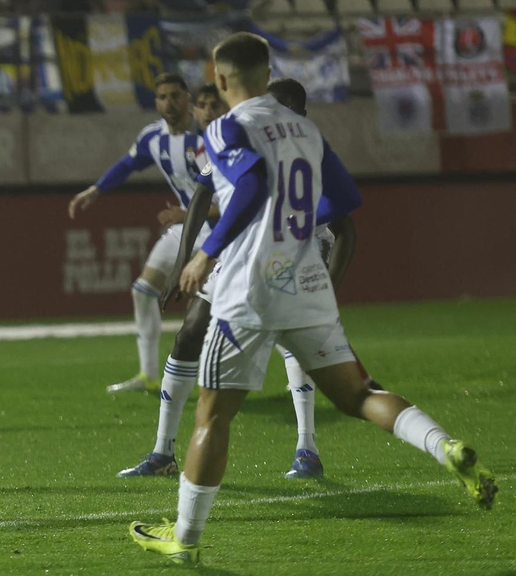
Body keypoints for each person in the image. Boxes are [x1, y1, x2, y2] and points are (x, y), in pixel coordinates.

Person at [129, 34, 497, 565]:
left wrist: (205, 253)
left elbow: (251, 185)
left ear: (222, 78)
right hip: (305, 282)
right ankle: (446, 448)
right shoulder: (305, 128)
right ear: (267, 72)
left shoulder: (224, 128)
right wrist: (292, 227)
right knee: (358, 394)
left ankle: (184, 538)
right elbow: (346, 199)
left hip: (247, 291)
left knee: (213, 415)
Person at [118, 79, 362, 479]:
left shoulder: (310, 149)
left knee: (296, 349)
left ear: (298, 115)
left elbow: (346, 227)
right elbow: (201, 193)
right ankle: (162, 452)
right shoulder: (246, 135)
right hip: (240, 258)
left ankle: (307, 449)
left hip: (295, 260)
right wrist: (187, 258)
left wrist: (329, 291)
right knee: (189, 333)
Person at [67, 73, 205, 394]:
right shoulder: (152, 138)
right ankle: (148, 376)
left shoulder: (207, 138)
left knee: (228, 304)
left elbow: (227, 196)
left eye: (175, 96)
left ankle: (289, 366)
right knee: (144, 291)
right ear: (155, 102)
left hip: (218, 228)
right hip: (184, 228)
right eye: (162, 97)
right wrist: (95, 190)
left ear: (187, 98)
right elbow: (127, 165)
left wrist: (184, 214)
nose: (169, 103)